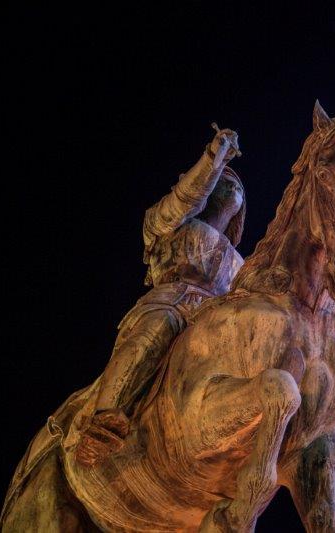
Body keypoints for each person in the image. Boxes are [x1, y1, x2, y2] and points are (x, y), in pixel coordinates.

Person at [75, 126, 247, 466]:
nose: (233, 185)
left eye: (239, 185)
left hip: (216, 325)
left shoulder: (241, 261)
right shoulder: (169, 223)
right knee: (156, 331)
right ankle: (102, 422)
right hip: (173, 302)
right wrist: (214, 159)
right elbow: (186, 197)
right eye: (225, 180)